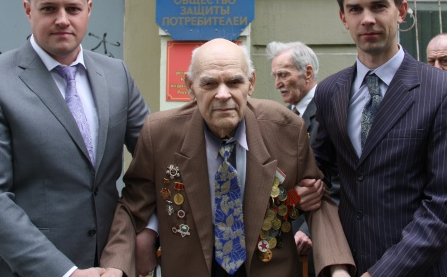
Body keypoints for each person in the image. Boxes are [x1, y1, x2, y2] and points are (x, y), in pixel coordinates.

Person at [100, 38, 356, 277]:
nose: (223, 95)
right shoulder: (159, 134)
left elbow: (317, 200)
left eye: (234, 82)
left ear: (251, 83)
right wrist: (115, 267)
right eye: (209, 84)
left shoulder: (286, 128)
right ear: (190, 86)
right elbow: (131, 207)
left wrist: (338, 268)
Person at [0, 0, 151, 277]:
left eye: (73, 8)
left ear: (88, 10)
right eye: (49, 8)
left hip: (104, 266)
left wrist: (144, 233)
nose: (62, 19)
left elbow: (154, 160)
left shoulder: (117, 76)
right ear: (28, 10)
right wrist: (66, 273)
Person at [312, 0, 447, 276]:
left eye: (378, 6)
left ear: (401, 11)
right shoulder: (330, 91)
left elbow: (446, 205)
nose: (367, 19)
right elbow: (318, 175)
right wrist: (332, 258)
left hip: (420, 269)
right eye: (355, 9)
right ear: (344, 18)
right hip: (350, 266)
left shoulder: (445, 90)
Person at [265, 41, 340, 277]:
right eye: (275, 76)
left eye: (283, 74)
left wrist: (308, 230)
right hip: (285, 234)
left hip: (319, 237)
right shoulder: (284, 117)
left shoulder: (331, 111)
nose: (277, 83)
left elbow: (337, 183)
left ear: (307, 72)